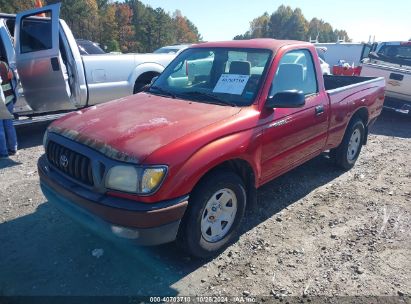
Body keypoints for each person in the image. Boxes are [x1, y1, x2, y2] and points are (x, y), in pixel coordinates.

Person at [0, 59, 17, 159]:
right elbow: (11, 77)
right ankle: (13, 148)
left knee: (0, 128)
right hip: (9, 99)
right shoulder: (4, 64)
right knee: (9, 125)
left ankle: (3, 153)